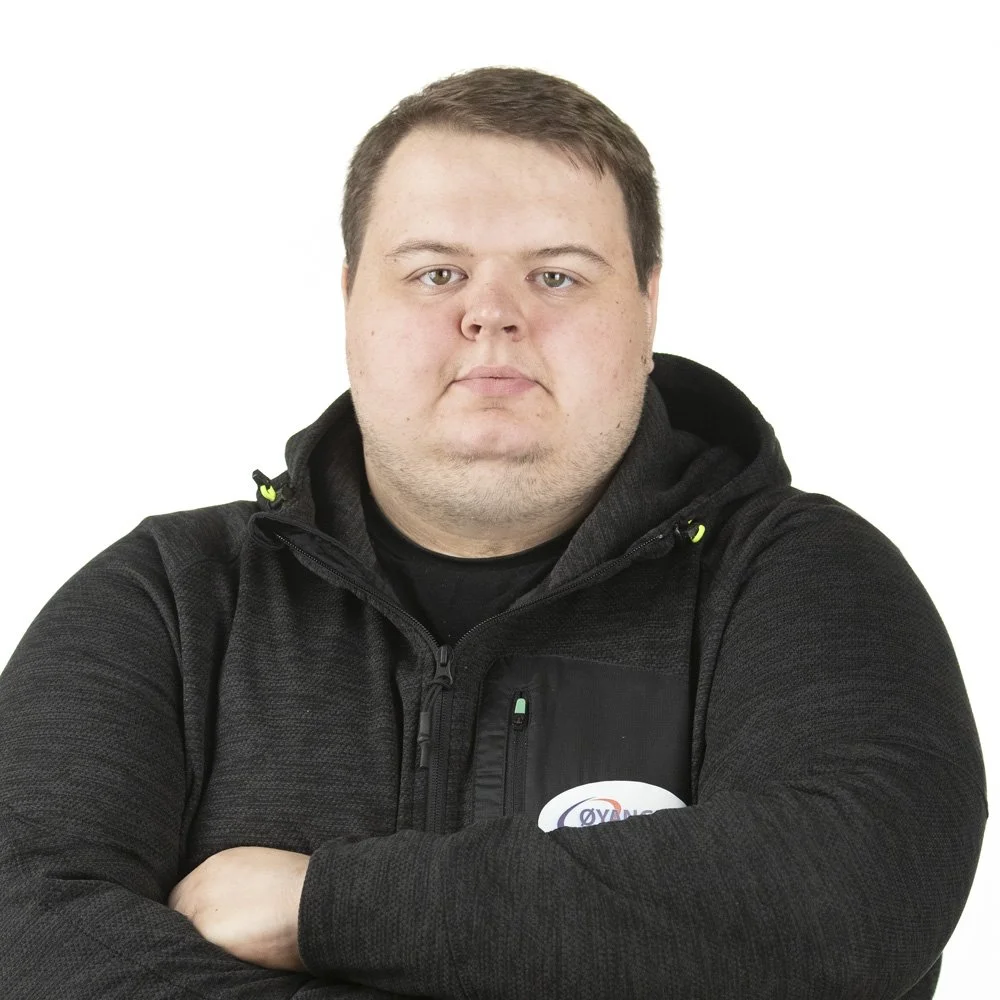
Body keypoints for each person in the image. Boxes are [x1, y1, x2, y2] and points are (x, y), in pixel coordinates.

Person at [0, 65, 987, 1000]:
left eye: (556, 277)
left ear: (648, 303)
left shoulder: (801, 578)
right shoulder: (171, 598)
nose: (492, 316)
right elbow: (27, 930)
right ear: (349, 298)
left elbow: (851, 896)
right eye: (436, 273)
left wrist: (325, 908)